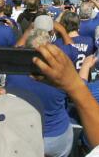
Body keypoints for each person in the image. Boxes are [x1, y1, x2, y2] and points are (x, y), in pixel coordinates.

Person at [5, 29, 73, 157]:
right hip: (56, 137)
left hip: (25, 138)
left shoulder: (12, 74)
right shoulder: (61, 76)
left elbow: (16, 49)